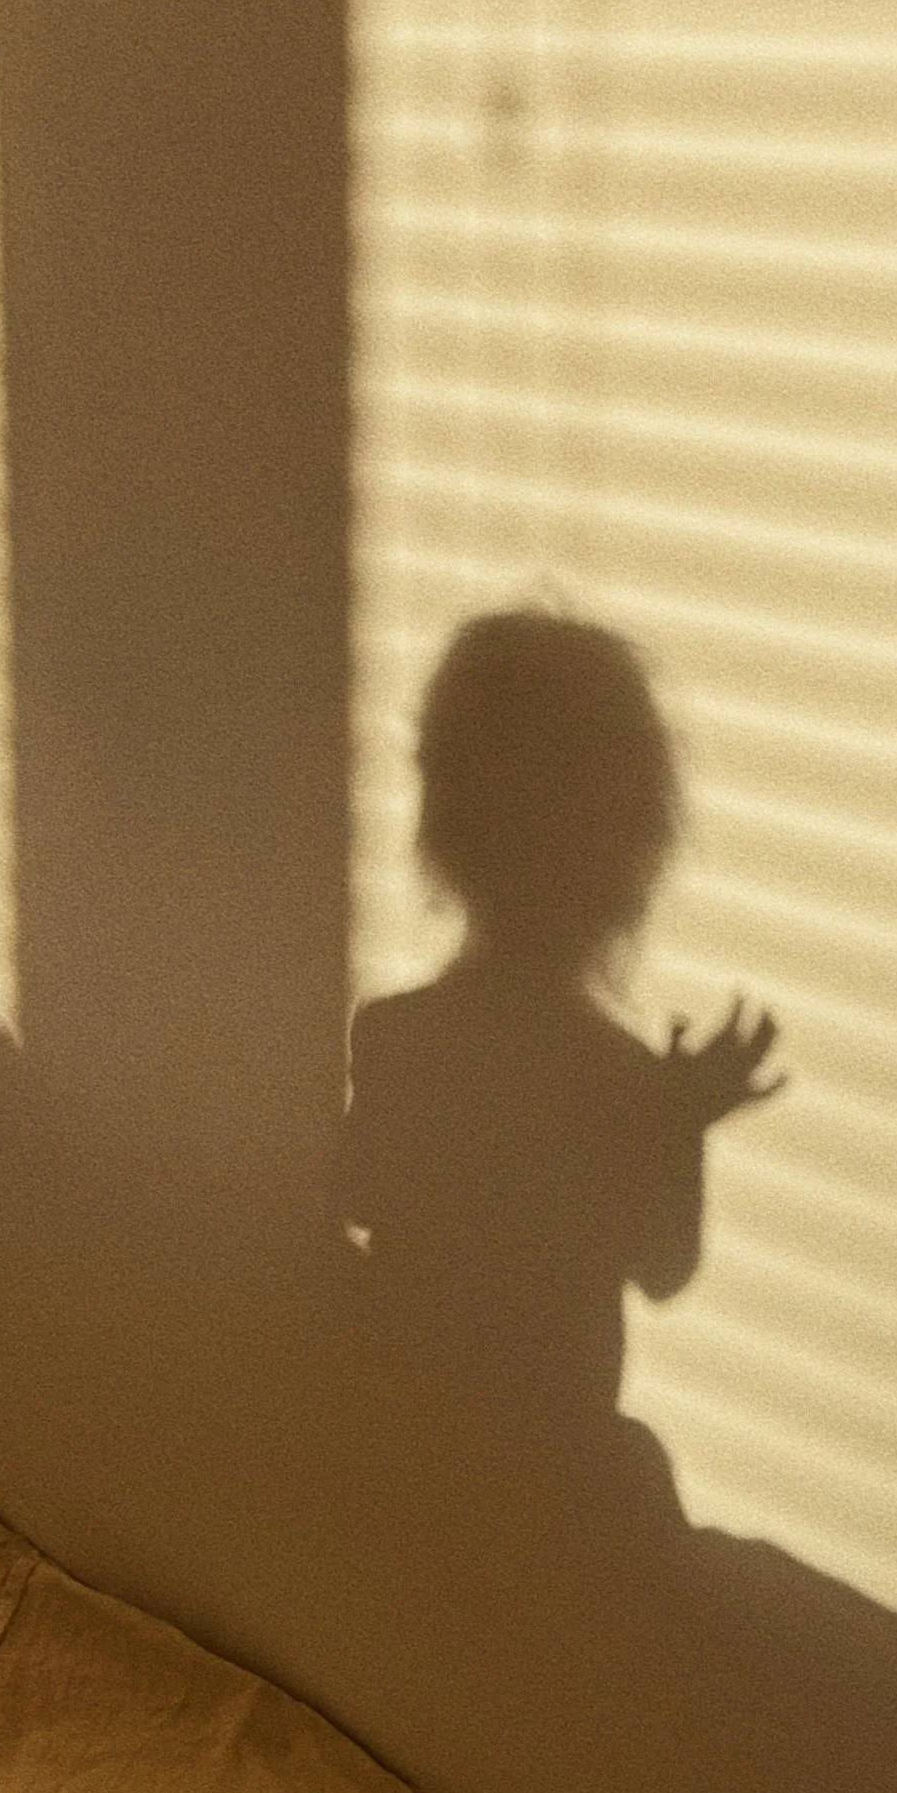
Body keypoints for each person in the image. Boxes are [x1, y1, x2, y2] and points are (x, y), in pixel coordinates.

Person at [338, 607, 783, 1458]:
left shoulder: (400, 1033)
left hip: (412, 1447)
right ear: (633, 852)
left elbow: (357, 1191)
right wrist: (678, 1126)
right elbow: (664, 1268)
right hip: (542, 1465)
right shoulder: (623, 1080)